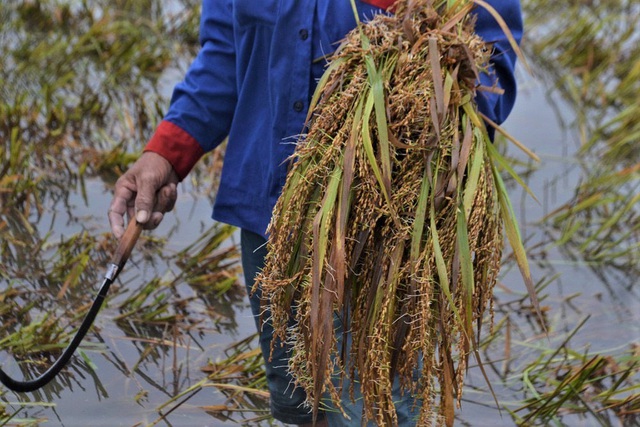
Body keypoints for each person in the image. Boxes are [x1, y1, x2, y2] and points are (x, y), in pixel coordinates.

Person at [108, 0, 523, 425]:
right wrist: (165, 153)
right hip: (269, 219)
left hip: (381, 237)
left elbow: (489, 71)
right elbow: (227, 55)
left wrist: (422, 94)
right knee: (301, 406)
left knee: (377, 412)